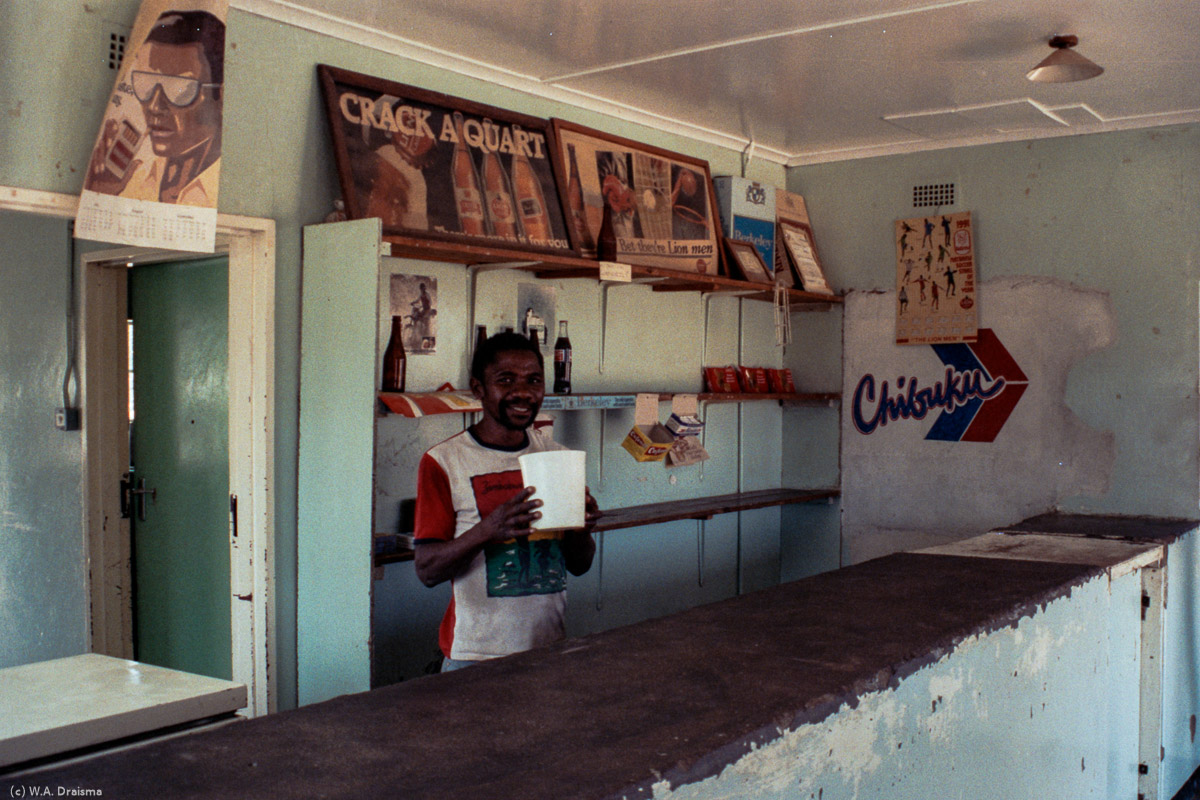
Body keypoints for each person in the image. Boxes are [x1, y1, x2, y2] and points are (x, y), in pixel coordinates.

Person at [413, 332, 600, 671]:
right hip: (474, 657)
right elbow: (427, 570)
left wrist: (581, 528)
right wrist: (488, 531)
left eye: (533, 381)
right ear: (479, 389)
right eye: (506, 380)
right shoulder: (444, 461)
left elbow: (580, 564)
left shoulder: (557, 456)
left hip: (547, 649)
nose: (523, 393)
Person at [85, 10, 224, 207]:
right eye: (145, 84)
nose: (155, 106)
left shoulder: (226, 185)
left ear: (221, 94)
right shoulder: (135, 179)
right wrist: (101, 194)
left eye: (179, 88)